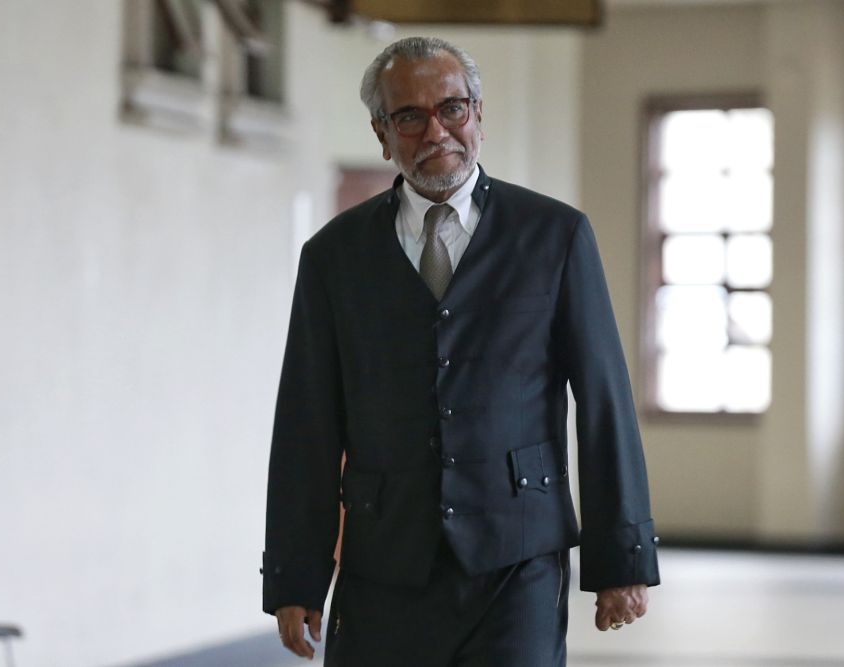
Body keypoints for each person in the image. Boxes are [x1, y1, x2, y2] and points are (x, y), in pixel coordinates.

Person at [261, 36, 660, 666]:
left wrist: (622, 560)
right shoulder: (333, 257)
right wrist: (295, 575)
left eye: (452, 108)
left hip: (517, 559)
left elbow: (604, 400)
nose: (436, 131)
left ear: (478, 112)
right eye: (410, 116)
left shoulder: (554, 236)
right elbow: (306, 422)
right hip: (382, 563)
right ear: (381, 132)